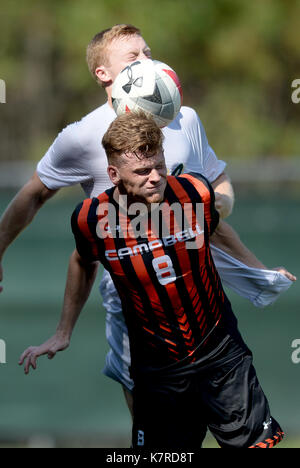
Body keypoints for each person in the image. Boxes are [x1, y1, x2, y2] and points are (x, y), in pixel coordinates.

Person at [0, 24, 294, 415]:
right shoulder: (83, 136)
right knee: (147, 401)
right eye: (133, 57)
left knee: (222, 385)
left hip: (195, 275)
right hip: (131, 288)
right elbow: (33, 195)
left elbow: (216, 184)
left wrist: (217, 217)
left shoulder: (184, 118)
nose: (147, 61)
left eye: (148, 52)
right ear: (103, 74)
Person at [20, 112, 294, 448]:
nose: (155, 178)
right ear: (113, 174)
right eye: (142, 171)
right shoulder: (91, 219)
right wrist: (63, 332)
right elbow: (82, 260)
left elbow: (218, 231)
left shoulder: (195, 192)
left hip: (222, 355)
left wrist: (259, 271)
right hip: (158, 371)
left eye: (159, 166)